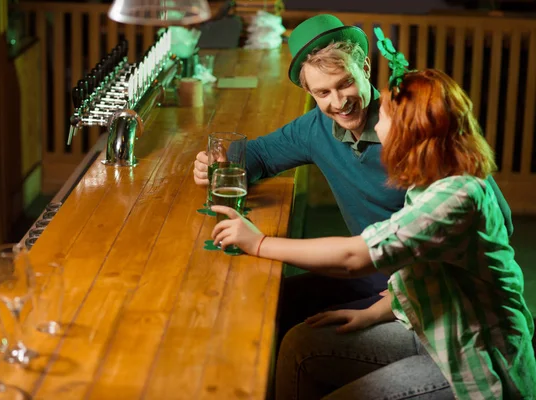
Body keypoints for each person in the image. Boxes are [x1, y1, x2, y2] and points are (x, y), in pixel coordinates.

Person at [209, 30, 536, 399]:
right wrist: (379, 310)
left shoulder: (454, 194)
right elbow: (426, 272)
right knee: (300, 342)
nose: (376, 121)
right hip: (428, 317)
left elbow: (355, 257)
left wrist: (259, 242)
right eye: (322, 92)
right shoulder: (423, 182)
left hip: (473, 361)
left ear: (415, 129)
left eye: (386, 114)